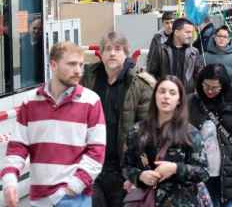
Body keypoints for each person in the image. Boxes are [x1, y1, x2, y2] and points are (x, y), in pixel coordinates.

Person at [1, 42, 106, 207]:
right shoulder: (30, 103)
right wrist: (9, 182)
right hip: (39, 200)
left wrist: (73, 187)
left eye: (81, 65)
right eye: (71, 64)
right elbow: (17, 147)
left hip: (74, 199)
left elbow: (97, 152)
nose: (78, 70)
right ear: (53, 65)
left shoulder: (91, 101)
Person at [81, 32, 155, 207]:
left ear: (126, 53)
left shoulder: (140, 83)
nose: (112, 53)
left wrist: (136, 170)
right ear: (100, 53)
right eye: (107, 49)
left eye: (117, 49)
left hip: (122, 169)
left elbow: (145, 129)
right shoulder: (87, 77)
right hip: (92, 166)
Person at [123, 76, 209, 206]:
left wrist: (175, 168)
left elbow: (203, 172)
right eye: (161, 91)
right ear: (155, 96)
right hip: (146, 201)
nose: (166, 96)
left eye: (172, 93)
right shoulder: (137, 131)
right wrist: (140, 176)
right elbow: (126, 166)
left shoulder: (190, 133)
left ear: (179, 100)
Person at [189, 64, 232, 207]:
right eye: (206, 85)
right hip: (200, 171)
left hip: (228, 170)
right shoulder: (191, 103)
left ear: (223, 85)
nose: (209, 90)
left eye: (215, 87)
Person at [147, 18, 204, 94]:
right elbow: (151, 73)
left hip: (186, 99)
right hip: (166, 97)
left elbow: (198, 76)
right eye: (187, 32)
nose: (190, 35)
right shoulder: (160, 50)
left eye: (191, 32)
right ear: (176, 32)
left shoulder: (194, 52)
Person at [204, 26, 232, 93]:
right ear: (215, 37)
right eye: (219, 36)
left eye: (225, 37)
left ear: (228, 40)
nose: (221, 39)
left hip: (228, 98)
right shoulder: (203, 57)